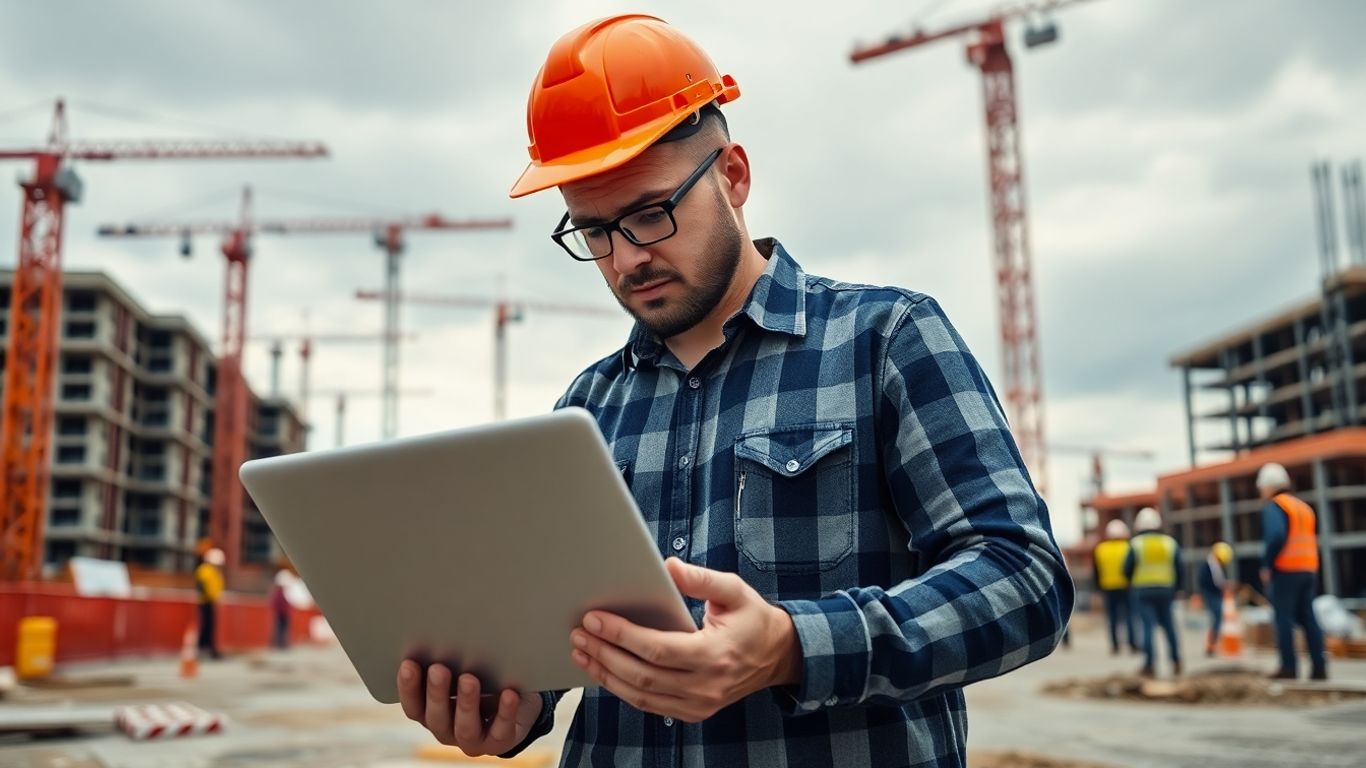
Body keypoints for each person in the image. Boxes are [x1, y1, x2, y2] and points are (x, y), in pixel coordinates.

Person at [397, 15, 1072, 767]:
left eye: (650, 214)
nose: (626, 259)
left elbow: (1026, 579)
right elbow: (557, 642)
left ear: (734, 175)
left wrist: (793, 647)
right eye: (594, 233)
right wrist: (507, 708)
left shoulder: (885, 339)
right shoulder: (587, 408)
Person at [1256, 462, 1328, 681]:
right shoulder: (1303, 507)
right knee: (1308, 618)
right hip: (1308, 569)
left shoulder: (1275, 506)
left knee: (1283, 618)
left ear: (1269, 486)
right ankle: (1319, 668)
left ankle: (1289, 667)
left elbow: (1276, 536)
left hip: (1286, 569)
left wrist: (1267, 564)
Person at [1124, 507, 1181, 678]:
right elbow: (1179, 567)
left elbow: (1127, 569)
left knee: (1148, 627)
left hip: (1143, 590)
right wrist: (1177, 588)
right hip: (1166, 590)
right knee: (1169, 626)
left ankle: (1149, 665)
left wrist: (1131, 582)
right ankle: (1176, 661)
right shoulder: (1169, 543)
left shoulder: (1136, 544)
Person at [1093, 519, 1140, 656]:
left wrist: (1097, 588)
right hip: (1126, 586)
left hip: (1107, 587)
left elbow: (1096, 571)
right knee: (1129, 616)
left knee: (1112, 618)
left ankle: (1115, 646)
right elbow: (1132, 567)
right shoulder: (1128, 547)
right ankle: (1132, 644)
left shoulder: (1100, 549)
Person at [1198, 541, 1233, 657]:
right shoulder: (1207, 566)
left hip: (1216, 594)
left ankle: (1212, 644)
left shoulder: (1217, 566)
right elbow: (1205, 581)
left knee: (1217, 619)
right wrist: (1220, 587)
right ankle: (1211, 645)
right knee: (1216, 618)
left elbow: (1219, 579)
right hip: (1211, 594)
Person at [195, 547, 225, 660]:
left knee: (210, 626)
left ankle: (209, 648)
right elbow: (204, 588)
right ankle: (204, 648)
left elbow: (217, 587)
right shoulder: (205, 571)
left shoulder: (214, 572)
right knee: (206, 625)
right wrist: (213, 597)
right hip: (206, 602)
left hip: (211, 601)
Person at [271, 567, 294, 650]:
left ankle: (281, 643)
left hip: (282, 613)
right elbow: (281, 603)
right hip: (282, 613)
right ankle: (280, 643)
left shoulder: (279, 592)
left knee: (281, 628)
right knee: (280, 628)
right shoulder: (280, 593)